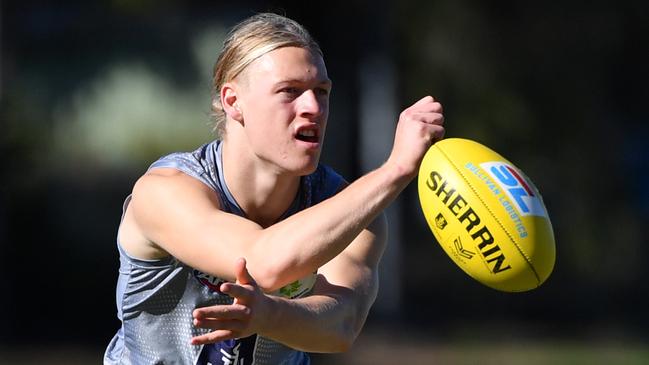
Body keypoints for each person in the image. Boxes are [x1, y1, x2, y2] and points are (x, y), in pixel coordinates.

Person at [104, 12, 444, 365]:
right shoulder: (165, 191)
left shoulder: (349, 210)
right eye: (290, 91)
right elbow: (262, 262)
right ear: (233, 102)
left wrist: (269, 316)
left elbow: (342, 325)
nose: (313, 108)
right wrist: (395, 170)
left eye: (322, 92)